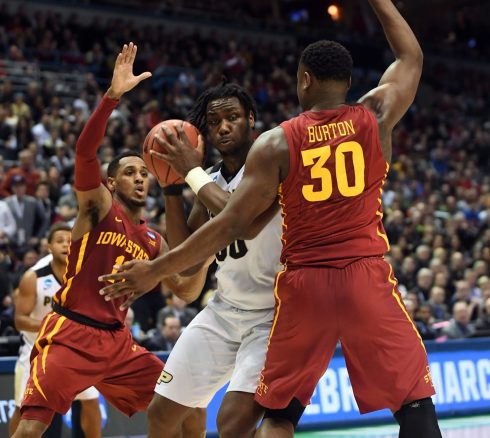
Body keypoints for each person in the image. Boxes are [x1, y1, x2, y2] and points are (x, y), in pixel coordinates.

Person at [100, 2, 443, 438]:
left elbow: (231, 224)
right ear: (350, 83)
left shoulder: (278, 143)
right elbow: (411, 58)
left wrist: (154, 267)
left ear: (303, 80)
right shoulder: (374, 116)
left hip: (301, 290)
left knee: (278, 415)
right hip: (363, 274)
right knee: (414, 405)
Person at [13, 42, 206, 438]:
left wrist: (209, 253)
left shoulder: (153, 239)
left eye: (143, 173)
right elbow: (85, 151)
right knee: (31, 429)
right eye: (130, 172)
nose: (139, 178)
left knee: (185, 404)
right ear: (113, 182)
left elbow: (186, 291)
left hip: (119, 344)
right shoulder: (99, 207)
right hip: (71, 333)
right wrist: (112, 97)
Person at [147, 83, 282, 438]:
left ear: (250, 119)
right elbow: (188, 261)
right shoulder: (208, 181)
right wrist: (171, 187)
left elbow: (240, 223)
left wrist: (190, 173)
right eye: (214, 121)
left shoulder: (274, 165)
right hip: (225, 310)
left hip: (273, 317)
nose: (223, 127)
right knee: (160, 415)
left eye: (232, 117)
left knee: (232, 427)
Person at [9, 223, 102, 438]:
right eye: (60, 241)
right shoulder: (33, 278)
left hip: (75, 350)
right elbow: (20, 320)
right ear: (49, 247)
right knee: (22, 408)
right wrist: (54, 326)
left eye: (70, 241)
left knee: (91, 401)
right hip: (37, 351)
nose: (65, 245)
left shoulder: (85, 275)